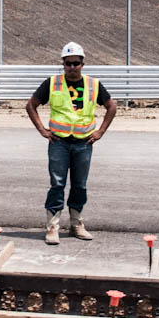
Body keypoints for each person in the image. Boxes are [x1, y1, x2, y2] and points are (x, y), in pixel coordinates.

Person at [25, 42, 117, 245]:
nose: (72, 67)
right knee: (57, 183)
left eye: (76, 63)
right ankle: (52, 226)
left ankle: (77, 223)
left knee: (80, 185)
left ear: (83, 64)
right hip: (59, 142)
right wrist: (42, 130)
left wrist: (100, 131)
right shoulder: (52, 83)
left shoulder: (93, 84)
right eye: (68, 63)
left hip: (84, 143)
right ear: (63, 64)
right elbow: (31, 105)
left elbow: (111, 106)